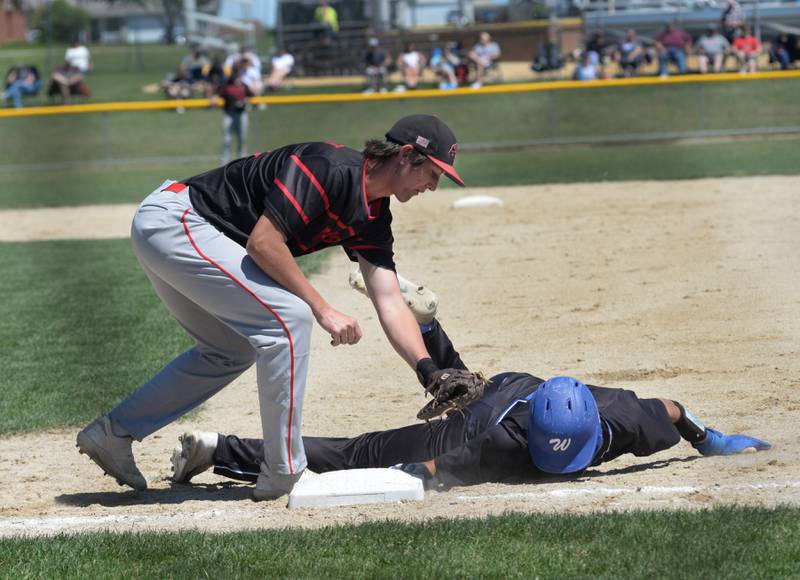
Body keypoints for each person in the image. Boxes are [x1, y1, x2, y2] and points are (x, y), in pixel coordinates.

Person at [76, 114, 474, 502]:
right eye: (433, 173)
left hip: (184, 234)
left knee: (230, 350)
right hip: (178, 222)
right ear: (406, 155)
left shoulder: (374, 216)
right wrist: (322, 308)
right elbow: (264, 243)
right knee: (291, 318)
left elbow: (388, 299)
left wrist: (429, 371)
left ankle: (114, 433)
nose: (433, 186)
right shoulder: (328, 167)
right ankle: (284, 472)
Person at [170, 313, 771, 491]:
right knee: (356, 454)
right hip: (487, 416)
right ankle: (222, 448)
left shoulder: (616, 421)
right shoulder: (490, 447)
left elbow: (671, 408)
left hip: (518, 387)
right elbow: (425, 470)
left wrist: (711, 440)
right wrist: (404, 474)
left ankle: (429, 326)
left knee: (461, 381)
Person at [216, 65, 253, 163]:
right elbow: (219, 94)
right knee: (227, 139)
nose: (238, 80)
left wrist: (245, 101)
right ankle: (224, 160)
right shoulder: (227, 86)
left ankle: (242, 160)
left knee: (242, 138)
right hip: (229, 114)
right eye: (236, 78)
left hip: (242, 114)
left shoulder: (244, 86)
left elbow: (251, 95)